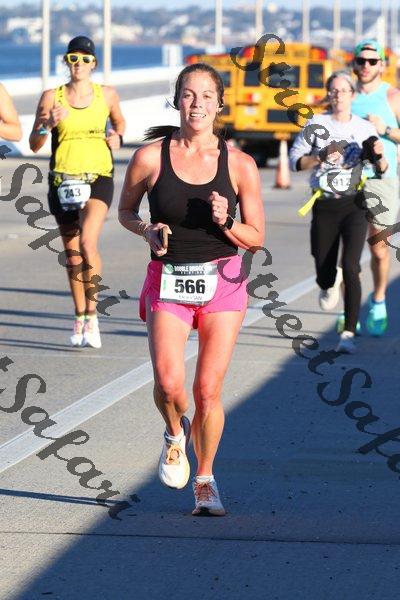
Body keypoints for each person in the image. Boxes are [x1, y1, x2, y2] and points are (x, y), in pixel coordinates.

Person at [118, 63, 264, 516]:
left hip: (223, 282)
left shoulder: (239, 164)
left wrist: (227, 221)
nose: (196, 104)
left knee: (207, 392)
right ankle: (174, 432)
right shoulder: (150, 158)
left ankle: (205, 480)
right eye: (188, 94)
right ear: (176, 100)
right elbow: (125, 212)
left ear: (219, 105)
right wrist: (146, 230)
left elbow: (255, 236)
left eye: (205, 96)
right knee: (168, 384)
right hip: (169, 278)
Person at [29, 35, 125, 348]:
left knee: (87, 243)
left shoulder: (107, 94)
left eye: (85, 59)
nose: (79, 64)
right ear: (66, 62)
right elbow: (34, 143)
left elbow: (120, 124)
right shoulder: (51, 97)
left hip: (98, 177)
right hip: (63, 181)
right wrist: (47, 125)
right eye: (73, 58)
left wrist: (117, 137)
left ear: (93, 63)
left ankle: (93, 315)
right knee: (72, 256)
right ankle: (80, 314)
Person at [289, 70, 387, 354]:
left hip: (354, 203)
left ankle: (348, 333)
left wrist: (379, 154)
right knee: (324, 266)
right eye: (333, 90)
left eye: (344, 90)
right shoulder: (316, 124)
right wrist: (319, 156)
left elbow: (382, 169)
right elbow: (295, 161)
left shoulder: (364, 127)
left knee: (352, 267)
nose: (338, 95)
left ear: (352, 95)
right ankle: (328, 283)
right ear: (328, 94)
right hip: (325, 203)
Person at [352, 39, 400, 336]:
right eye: (362, 60)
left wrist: (386, 130)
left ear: (382, 65)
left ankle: (379, 299)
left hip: (383, 180)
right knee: (349, 251)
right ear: (354, 63)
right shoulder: (346, 94)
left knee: (379, 250)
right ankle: (350, 309)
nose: (366, 66)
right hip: (348, 180)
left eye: (373, 61)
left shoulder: (392, 96)